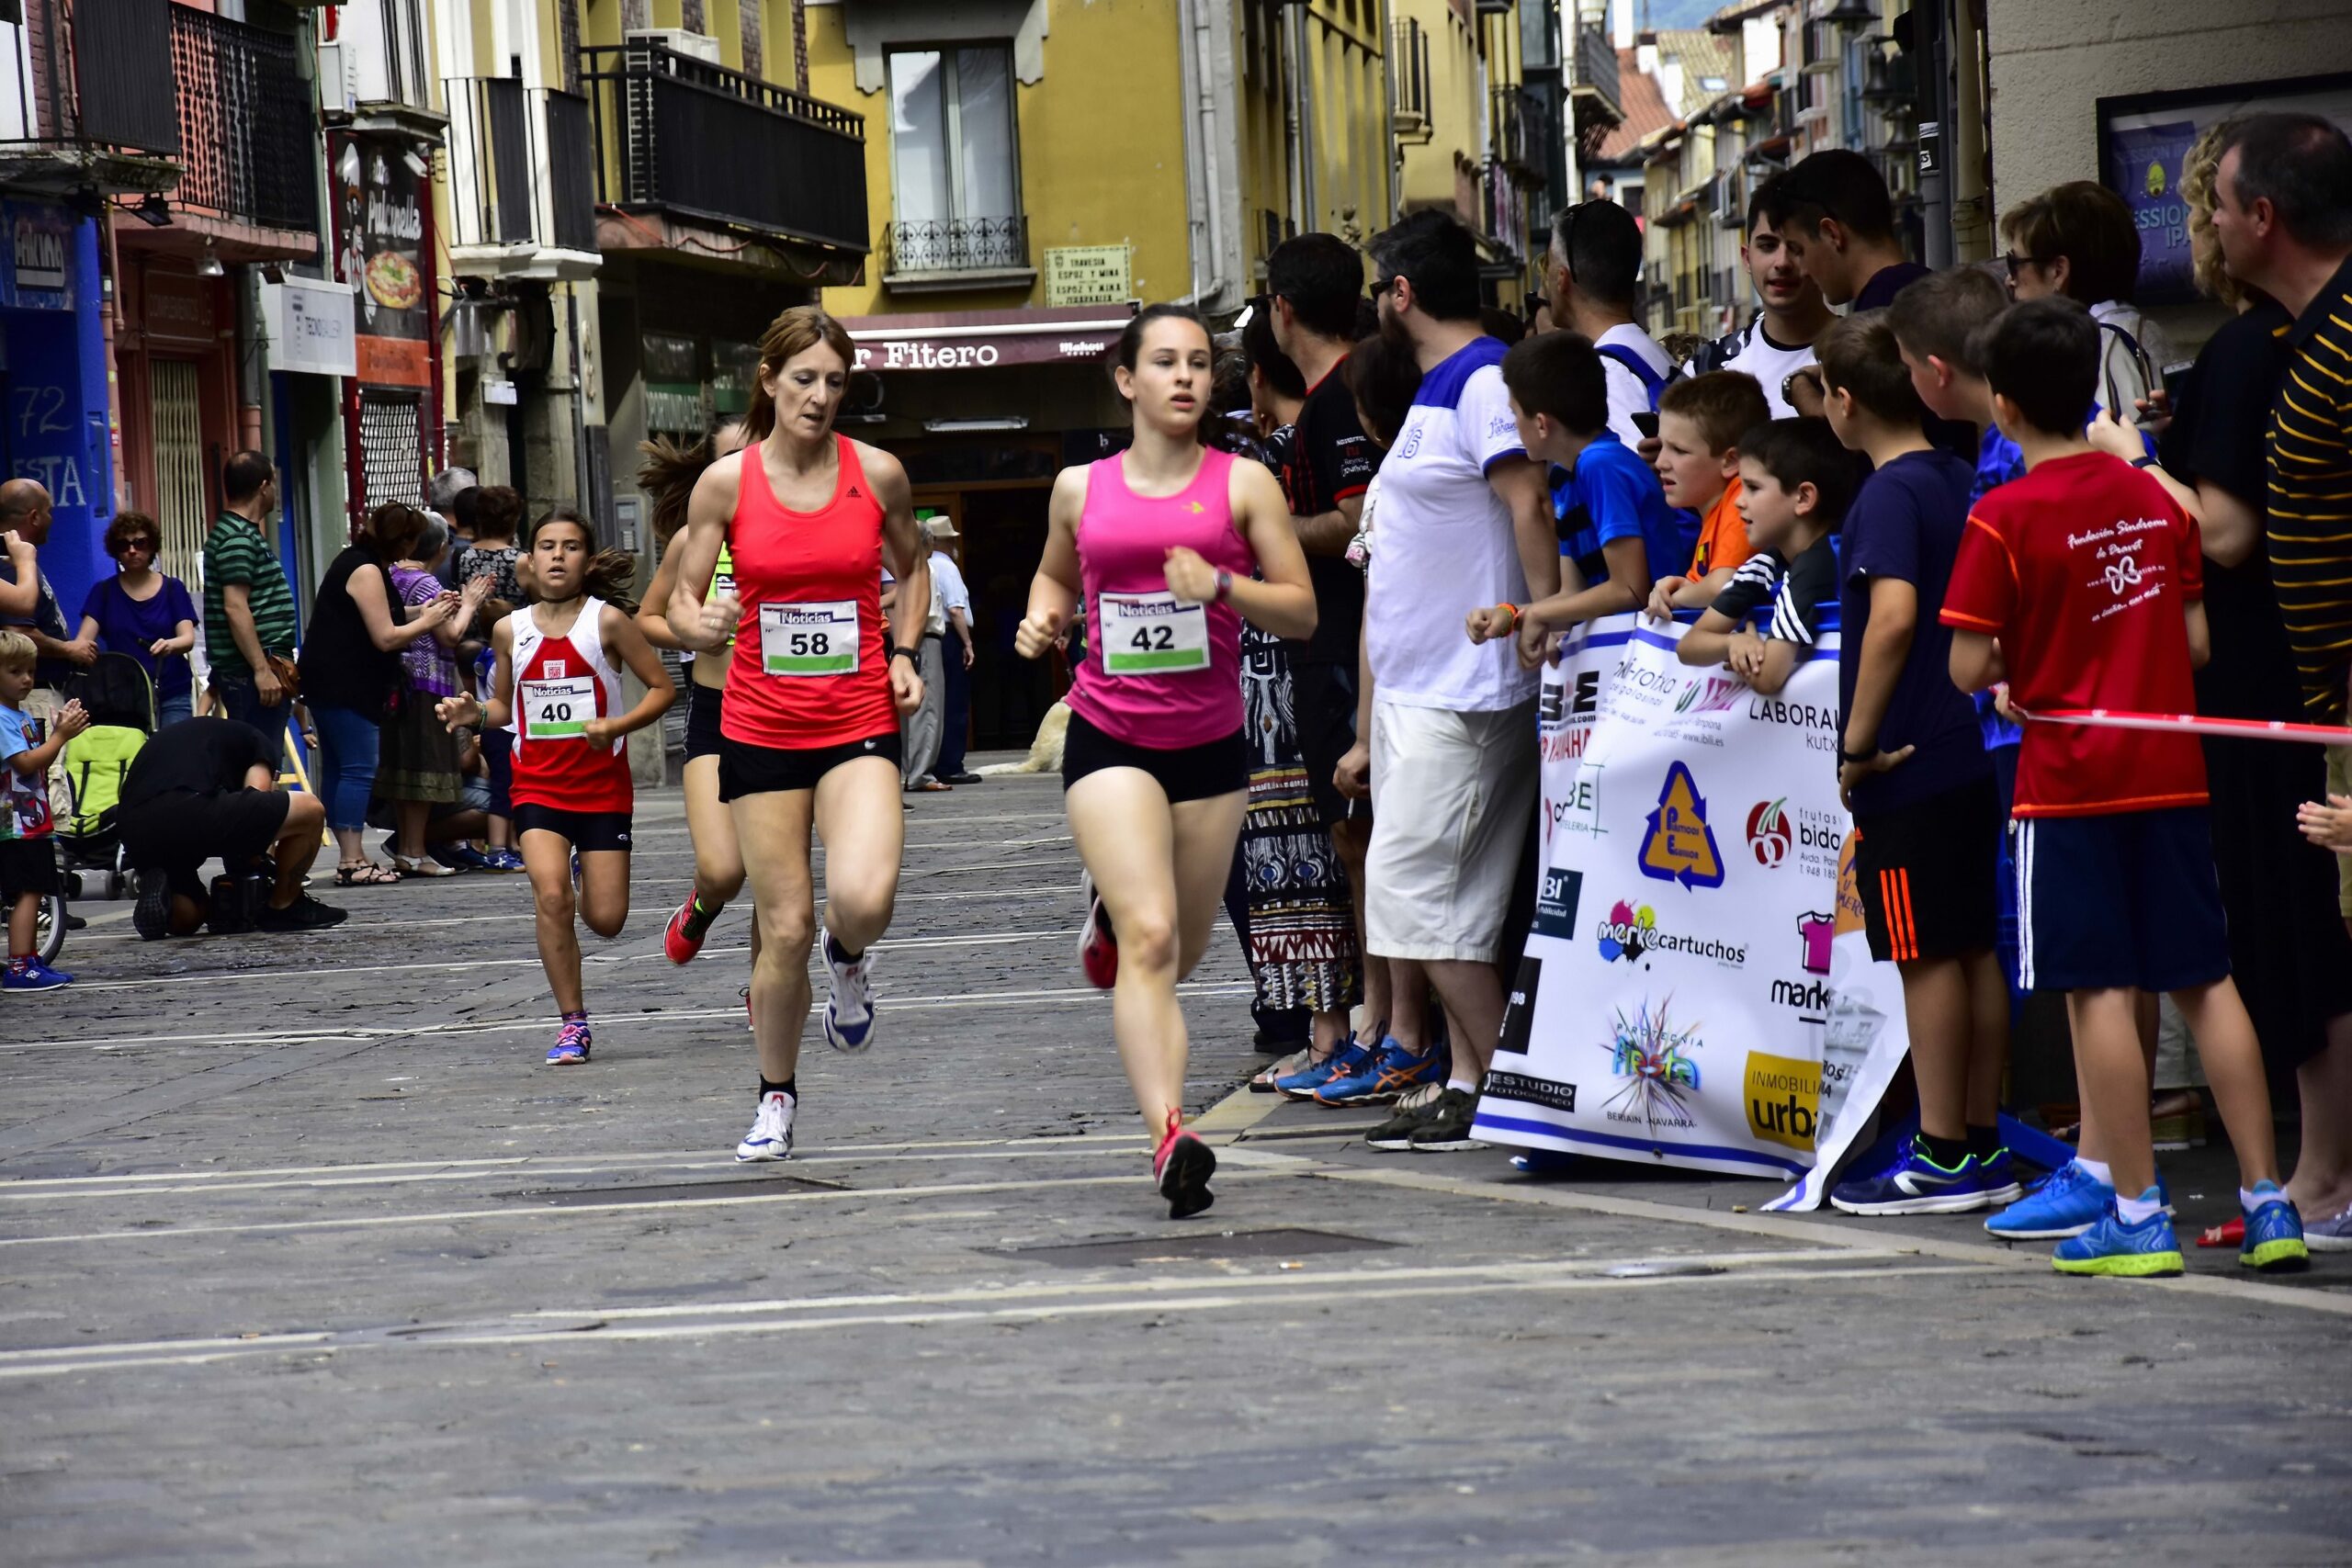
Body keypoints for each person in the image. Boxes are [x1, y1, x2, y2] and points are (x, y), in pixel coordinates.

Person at [1944, 298, 2305, 1276]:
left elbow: (1966, 668)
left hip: (2067, 786)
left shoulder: (2000, 515)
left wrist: (2025, 675)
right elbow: (2191, 644)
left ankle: (2138, 1215)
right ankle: (2269, 1203)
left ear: (2003, 406)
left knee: (2098, 986)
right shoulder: (2154, 498)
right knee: (2204, 978)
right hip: (2172, 774)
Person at [1012, 302, 1317, 1217]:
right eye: (1166, 362)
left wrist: (1220, 584)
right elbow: (1056, 575)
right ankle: (1170, 1134)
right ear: (1126, 379)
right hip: (1108, 735)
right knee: (1151, 938)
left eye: (1198, 363)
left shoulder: (1242, 486)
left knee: (1174, 951)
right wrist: (1043, 617)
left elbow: (1300, 610)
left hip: (1211, 747)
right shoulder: (1080, 488)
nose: (1185, 377)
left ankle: (1108, 914)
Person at [2147, 108, 2352, 1251]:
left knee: (2309, 932)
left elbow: (2227, 536)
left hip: (2303, 699)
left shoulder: (2297, 347)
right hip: (2314, 693)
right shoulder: (2303, 340)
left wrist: (2131, 467)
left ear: (2260, 217)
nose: (2210, 228)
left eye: (2218, 207)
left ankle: (2325, 1178)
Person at [663, 306, 929, 1162]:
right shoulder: (726, 484)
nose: (820, 397)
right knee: (782, 927)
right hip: (759, 725)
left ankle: (848, 957)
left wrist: (905, 650)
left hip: (857, 717)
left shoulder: (878, 473)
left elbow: (913, 565)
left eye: (836, 382)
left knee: (865, 898)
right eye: (804, 379)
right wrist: (700, 624)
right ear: (769, 381)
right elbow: (679, 594)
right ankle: (776, 1096)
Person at [1340, 208, 1559, 1156]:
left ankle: (1513, 1082)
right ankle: (1473, 1082)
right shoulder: (1441, 387)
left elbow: (1527, 499)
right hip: (1421, 687)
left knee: (1408, 895)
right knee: (1450, 906)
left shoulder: (1479, 381)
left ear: (1402, 294)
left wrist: (1539, 616)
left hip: (1463, 690)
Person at [1804, 310, 2013, 1218]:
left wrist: (1855, 742)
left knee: (1924, 956)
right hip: (1966, 751)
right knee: (1970, 949)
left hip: (1905, 760)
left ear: (1845, 404)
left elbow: (1890, 616)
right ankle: (1979, 1138)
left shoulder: (1884, 496)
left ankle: (1938, 1152)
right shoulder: (1958, 476)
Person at [439, 509, 674, 1065]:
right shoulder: (508, 629)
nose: (557, 556)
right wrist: (474, 713)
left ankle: (583, 870)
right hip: (537, 786)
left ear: (586, 561)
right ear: (530, 559)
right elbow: (504, 707)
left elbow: (662, 689)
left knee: (606, 920)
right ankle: (573, 1022)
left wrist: (615, 727)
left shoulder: (609, 622)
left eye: (570, 547)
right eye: (547, 545)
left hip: (601, 791)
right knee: (550, 896)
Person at [1259, 235, 1397, 1094]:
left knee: (1363, 842)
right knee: (1357, 844)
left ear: (1282, 308)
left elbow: (1353, 522)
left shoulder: (1339, 396)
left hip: (1349, 648)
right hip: (1341, 645)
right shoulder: (1331, 393)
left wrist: (1262, 531)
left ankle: (1382, 1026)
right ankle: (1379, 1022)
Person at [1227, 294, 1374, 1096]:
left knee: (1303, 858)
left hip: (1284, 678)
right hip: (1303, 667)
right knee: (1320, 857)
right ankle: (1334, 1028)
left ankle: (1331, 1029)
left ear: (1256, 377)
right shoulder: (1283, 453)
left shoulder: (1269, 464)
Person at [636, 426, 761, 988]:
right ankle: (702, 907)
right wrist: (695, 636)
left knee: (774, 873)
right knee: (723, 869)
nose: (746, 465)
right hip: (717, 708)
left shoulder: (810, 529)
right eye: (732, 456)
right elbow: (649, 617)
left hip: (787, 714)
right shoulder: (696, 538)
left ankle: (770, 986)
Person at [1465, 331, 1681, 656]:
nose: (1513, 425)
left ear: (1541, 424)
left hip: (1658, 647)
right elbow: (1573, 592)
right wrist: (1513, 615)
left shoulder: (1601, 465)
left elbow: (1630, 589)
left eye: (1515, 414)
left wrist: (1540, 613)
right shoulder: (1565, 476)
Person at [299, 503, 461, 888]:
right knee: (358, 767)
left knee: (341, 768)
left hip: (329, 684)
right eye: (412, 538)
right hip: (347, 685)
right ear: (401, 539)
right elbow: (385, 636)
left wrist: (421, 609)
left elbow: (382, 613)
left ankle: (348, 855)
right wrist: (429, 621)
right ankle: (353, 859)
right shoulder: (366, 569)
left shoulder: (362, 562)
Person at [1668, 417, 1853, 696]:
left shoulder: (1819, 563)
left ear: (1803, 498)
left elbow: (1768, 679)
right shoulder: (1768, 562)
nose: (1739, 501)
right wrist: (1732, 644)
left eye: (1753, 488)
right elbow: (1687, 647)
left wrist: (1750, 656)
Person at [120, 715, 344, 940]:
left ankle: (169, 900)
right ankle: (285, 904)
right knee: (310, 810)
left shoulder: (185, 738)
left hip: (133, 826)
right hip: (188, 807)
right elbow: (257, 793)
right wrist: (258, 863)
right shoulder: (258, 743)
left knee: (192, 916)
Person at [1998, 180, 2176, 420]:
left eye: (2015, 263)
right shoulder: (2144, 331)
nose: (2010, 279)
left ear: (2058, 272)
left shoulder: (2097, 349)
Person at [383, 513, 492, 875]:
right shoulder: (426, 582)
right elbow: (449, 635)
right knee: (423, 770)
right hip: (427, 685)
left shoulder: (392, 575)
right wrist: (472, 603)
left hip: (399, 682)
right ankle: (413, 851)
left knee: (406, 771)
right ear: (442, 548)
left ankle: (412, 849)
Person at [1689, 176, 1836, 417]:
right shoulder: (1708, 365)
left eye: (1796, 248)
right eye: (1768, 246)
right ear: (1747, 258)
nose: (1782, 263)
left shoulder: (1864, 355)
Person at [1642, 370, 1775, 616]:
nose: (1661, 462)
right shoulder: (1716, 510)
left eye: (1679, 451)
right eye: (1662, 447)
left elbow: (1723, 587)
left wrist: (1674, 597)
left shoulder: (1740, 501)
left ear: (1731, 461)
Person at [1545, 199, 1676, 443]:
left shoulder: (1608, 374)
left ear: (1562, 279)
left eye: (1547, 268)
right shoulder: (1648, 352)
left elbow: (1630, 476)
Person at [0, 631, 83, 989]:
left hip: (29, 819)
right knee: (29, 891)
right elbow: (25, 763)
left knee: (35, 888)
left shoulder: (16, 716)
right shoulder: (3, 720)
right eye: (15, 671)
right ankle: (20, 965)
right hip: (14, 823)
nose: (26, 679)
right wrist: (60, 737)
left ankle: (29, 956)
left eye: (30, 671)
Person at [204, 451, 300, 738]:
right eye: (272, 482)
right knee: (259, 761)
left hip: (254, 669)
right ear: (263, 487)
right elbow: (235, 607)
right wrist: (261, 670)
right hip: (251, 673)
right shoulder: (238, 538)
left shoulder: (238, 532)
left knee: (257, 760)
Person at [72, 511, 198, 726]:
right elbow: (82, 643)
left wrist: (169, 645)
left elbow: (187, 638)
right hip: (121, 697)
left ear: (152, 546)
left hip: (171, 690)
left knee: (174, 755)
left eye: (140, 543)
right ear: (116, 551)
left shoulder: (172, 588)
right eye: (124, 545)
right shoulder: (104, 592)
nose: (132, 550)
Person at [1778, 148, 1929, 311]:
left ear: (1831, 234)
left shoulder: (1876, 319)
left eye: (1798, 250)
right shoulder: (1934, 292)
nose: (1802, 271)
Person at [889, 532, 953, 794]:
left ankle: (913, 771)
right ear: (927, 544)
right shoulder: (923, 569)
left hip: (911, 641)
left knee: (912, 711)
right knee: (927, 708)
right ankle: (920, 774)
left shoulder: (907, 571)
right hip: (925, 638)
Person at [929, 518, 981, 785]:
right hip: (950, 636)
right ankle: (951, 764)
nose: (954, 544)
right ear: (940, 542)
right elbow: (956, 609)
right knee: (955, 702)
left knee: (938, 703)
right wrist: (968, 643)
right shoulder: (946, 567)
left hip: (936, 637)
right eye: (950, 539)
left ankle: (938, 762)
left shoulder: (926, 564)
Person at [456, 485, 526, 606]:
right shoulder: (522, 560)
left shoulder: (461, 555)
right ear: (515, 520)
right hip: (512, 625)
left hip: (470, 623)